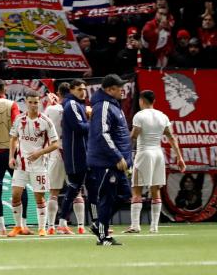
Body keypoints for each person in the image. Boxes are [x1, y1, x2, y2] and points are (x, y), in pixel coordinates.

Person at [125, 90, 186, 233]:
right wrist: (180, 157)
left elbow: (134, 136)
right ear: (154, 101)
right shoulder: (162, 116)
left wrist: (124, 149)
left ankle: (135, 225)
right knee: (155, 190)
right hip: (158, 154)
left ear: (141, 100)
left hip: (144, 153)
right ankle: (154, 227)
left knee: (137, 189)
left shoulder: (139, 115)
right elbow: (171, 137)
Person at [87, 74, 132, 246]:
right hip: (106, 162)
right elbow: (102, 134)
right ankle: (103, 236)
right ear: (109, 89)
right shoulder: (104, 106)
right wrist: (117, 156)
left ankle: (99, 224)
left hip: (114, 162)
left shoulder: (113, 105)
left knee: (124, 194)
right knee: (107, 197)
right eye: (119, 87)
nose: (123, 90)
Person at [0, 79, 31, 235]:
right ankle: (23, 225)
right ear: (5, 89)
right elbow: (18, 125)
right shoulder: (11, 105)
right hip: (11, 153)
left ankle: (2, 228)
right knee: (20, 188)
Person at [8, 90, 59, 237]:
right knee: (15, 195)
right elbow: (13, 138)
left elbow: (55, 144)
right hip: (20, 164)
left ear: (39, 103)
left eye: (36, 102)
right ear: (25, 102)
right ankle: (18, 226)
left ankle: (42, 228)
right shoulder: (19, 119)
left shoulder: (46, 121)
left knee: (39, 197)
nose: (33, 105)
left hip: (39, 165)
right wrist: (11, 157)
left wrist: (39, 153)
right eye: (30, 102)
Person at [59, 79, 91, 235]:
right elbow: (79, 128)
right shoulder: (71, 105)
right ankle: (62, 222)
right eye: (79, 89)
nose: (82, 92)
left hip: (80, 152)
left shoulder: (76, 105)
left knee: (76, 188)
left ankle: (62, 222)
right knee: (75, 188)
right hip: (76, 153)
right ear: (71, 90)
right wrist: (94, 121)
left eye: (84, 89)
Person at [44, 82, 72, 235]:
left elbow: (43, 126)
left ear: (58, 93)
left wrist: (49, 104)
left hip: (55, 151)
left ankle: (50, 227)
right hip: (70, 152)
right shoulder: (73, 107)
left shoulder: (51, 109)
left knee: (54, 192)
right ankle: (78, 225)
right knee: (76, 191)